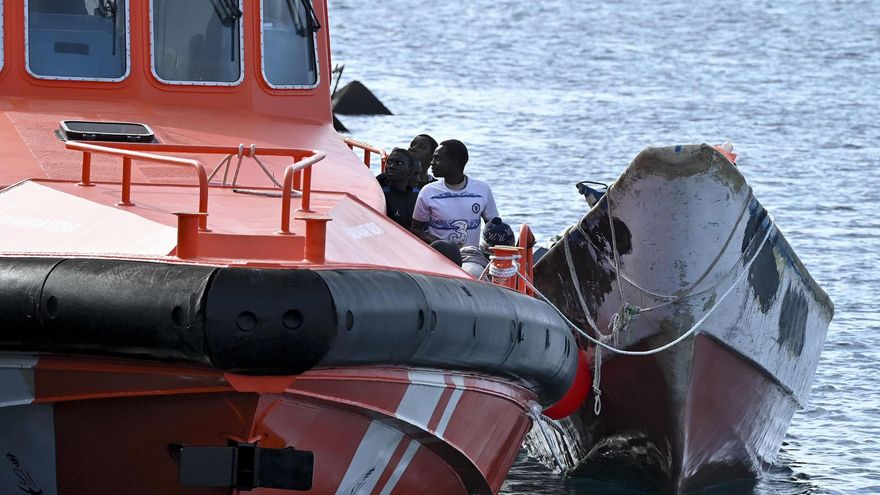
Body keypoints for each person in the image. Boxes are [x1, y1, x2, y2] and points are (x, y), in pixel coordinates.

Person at [409, 139, 498, 247]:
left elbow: (494, 227)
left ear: (454, 162)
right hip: (438, 256)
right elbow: (415, 229)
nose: (432, 162)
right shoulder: (428, 191)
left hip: (470, 257)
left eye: (437, 158)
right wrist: (439, 243)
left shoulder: (482, 189)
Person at [382, 148, 420, 229]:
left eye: (399, 163)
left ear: (410, 171)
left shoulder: (418, 196)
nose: (391, 166)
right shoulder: (380, 194)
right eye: (389, 162)